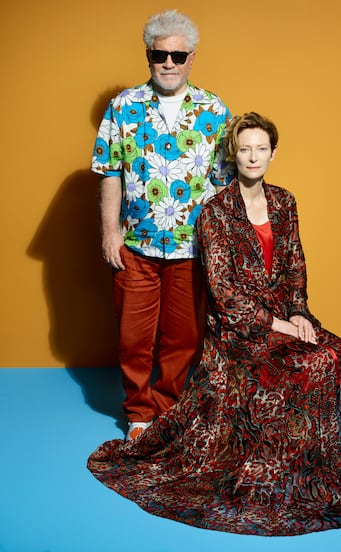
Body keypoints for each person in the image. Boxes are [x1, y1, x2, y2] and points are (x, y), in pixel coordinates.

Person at [88, 112, 341, 535]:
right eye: (245, 149)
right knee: (311, 362)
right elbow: (223, 293)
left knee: (339, 353)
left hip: (284, 314)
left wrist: (299, 313)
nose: (253, 157)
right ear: (234, 154)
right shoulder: (215, 212)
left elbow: (295, 265)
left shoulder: (285, 202)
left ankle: (310, 475)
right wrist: (279, 326)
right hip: (237, 330)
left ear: (273, 153)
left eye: (261, 149)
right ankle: (265, 469)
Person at [91, 9, 234, 440]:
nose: (168, 63)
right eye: (160, 55)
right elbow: (109, 171)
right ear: (148, 56)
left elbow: (223, 183)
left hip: (192, 248)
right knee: (133, 337)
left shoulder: (214, 110)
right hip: (135, 245)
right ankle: (139, 414)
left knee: (183, 338)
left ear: (192, 58)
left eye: (178, 55)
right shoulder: (123, 107)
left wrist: (220, 243)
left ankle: (168, 410)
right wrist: (109, 232)